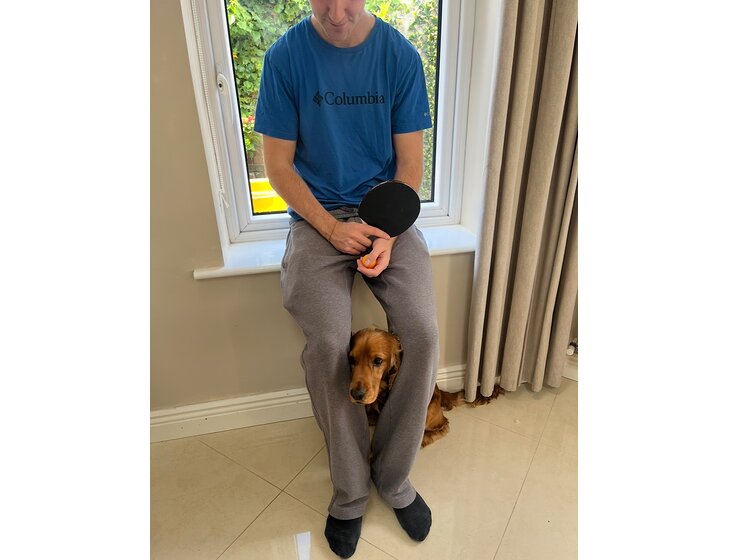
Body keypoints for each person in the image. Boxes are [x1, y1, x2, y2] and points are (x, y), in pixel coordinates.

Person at [254, 1, 439, 557]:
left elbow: (410, 165)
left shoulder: (399, 57)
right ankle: (351, 492)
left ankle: (395, 478)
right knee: (328, 347)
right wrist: (332, 228)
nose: (336, 13)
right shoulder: (285, 58)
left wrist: (388, 232)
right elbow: (278, 167)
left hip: (386, 216)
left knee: (423, 333)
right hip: (317, 221)